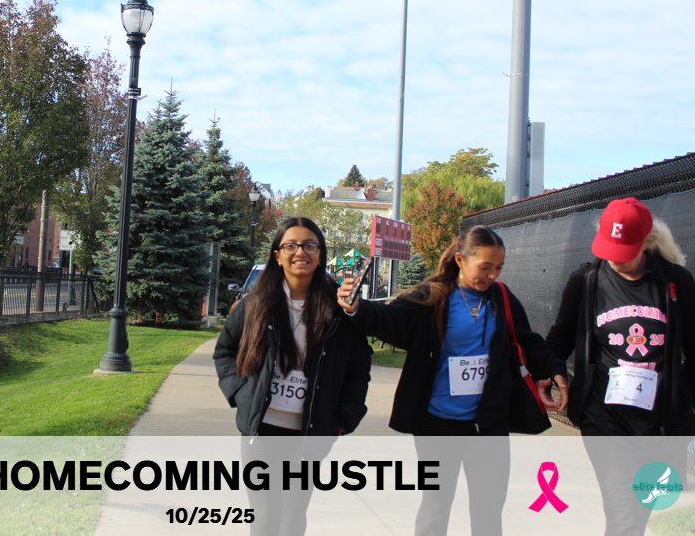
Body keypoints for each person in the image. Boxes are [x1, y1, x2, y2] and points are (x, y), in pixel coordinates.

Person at [338, 225, 567, 536]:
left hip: (488, 423)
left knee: (488, 510)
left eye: (499, 268)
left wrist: (553, 370)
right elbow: (390, 320)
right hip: (437, 424)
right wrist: (356, 308)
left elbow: (528, 340)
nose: (492, 275)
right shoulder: (431, 297)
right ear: (460, 259)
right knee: (436, 505)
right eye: (485, 267)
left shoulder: (500, 297)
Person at [545, 198, 695, 535]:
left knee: (643, 508)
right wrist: (550, 373)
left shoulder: (675, 282)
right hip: (603, 416)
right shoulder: (586, 281)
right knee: (623, 512)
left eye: (625, 249)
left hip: (660, 422)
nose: (615, 257)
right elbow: (559, 338)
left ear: (646, 241)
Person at [213, 217, 372, 536]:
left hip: (310, 431)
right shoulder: (256, 304)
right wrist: (241, 394)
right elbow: (224, 352)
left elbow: (359, 368)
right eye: (291, 246)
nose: (301, 252)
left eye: (310, 245)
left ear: (320, 253)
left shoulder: (338, 309)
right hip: (262, 428)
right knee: (264, 517)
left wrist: (344, 418)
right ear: (278, 255)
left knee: (292, 517)